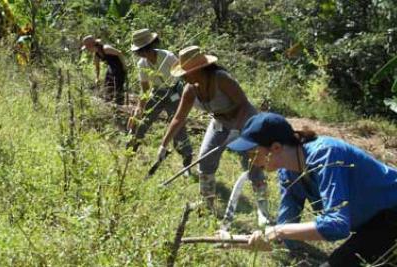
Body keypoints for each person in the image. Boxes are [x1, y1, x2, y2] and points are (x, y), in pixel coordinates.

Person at [226, 112, 397, 267]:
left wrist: (278, 232)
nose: (251, 160)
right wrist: (249, 240)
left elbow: (337, 226)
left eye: (253, 153)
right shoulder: (288, 173)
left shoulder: (326, 154)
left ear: (276, 148)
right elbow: (286, 226)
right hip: (373, 223)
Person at [158, 45, 271, 225]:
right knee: (205, 160)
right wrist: (164, 144)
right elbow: (178, 118)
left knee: (253, 166)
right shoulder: (190, 89)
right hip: (220, 122)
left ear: (199, 70)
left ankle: (263, 212)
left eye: (187, 72)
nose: (184, 76)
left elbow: (243, 104)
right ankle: (207, 203)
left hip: (245, 121)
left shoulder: (221, 79)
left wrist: (237, 130)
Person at [127, 29, 193, 172]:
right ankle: (129, 155)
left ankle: (187, 162)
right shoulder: (142, 64)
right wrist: (139, 108)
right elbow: (145, 89)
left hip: (174, 93)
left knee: (178, 127)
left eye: (145, 49)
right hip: (157, 92)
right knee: (141, 122)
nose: (144, 53)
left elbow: (184, 75)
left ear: (151, 45)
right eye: (140, 51)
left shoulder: (167, 57)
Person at [81, 35, 126, 105]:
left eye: (87, 47)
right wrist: (97, 77)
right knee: (107, 86)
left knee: (118, 87)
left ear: (91, 45)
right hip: (111, 68)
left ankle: (120, 105)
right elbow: (97, 67)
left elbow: (119, 53)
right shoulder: (96, 55)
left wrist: (124, 66)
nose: (87, 50)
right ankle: (109, 103)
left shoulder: (106, 49)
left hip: (119, 68)